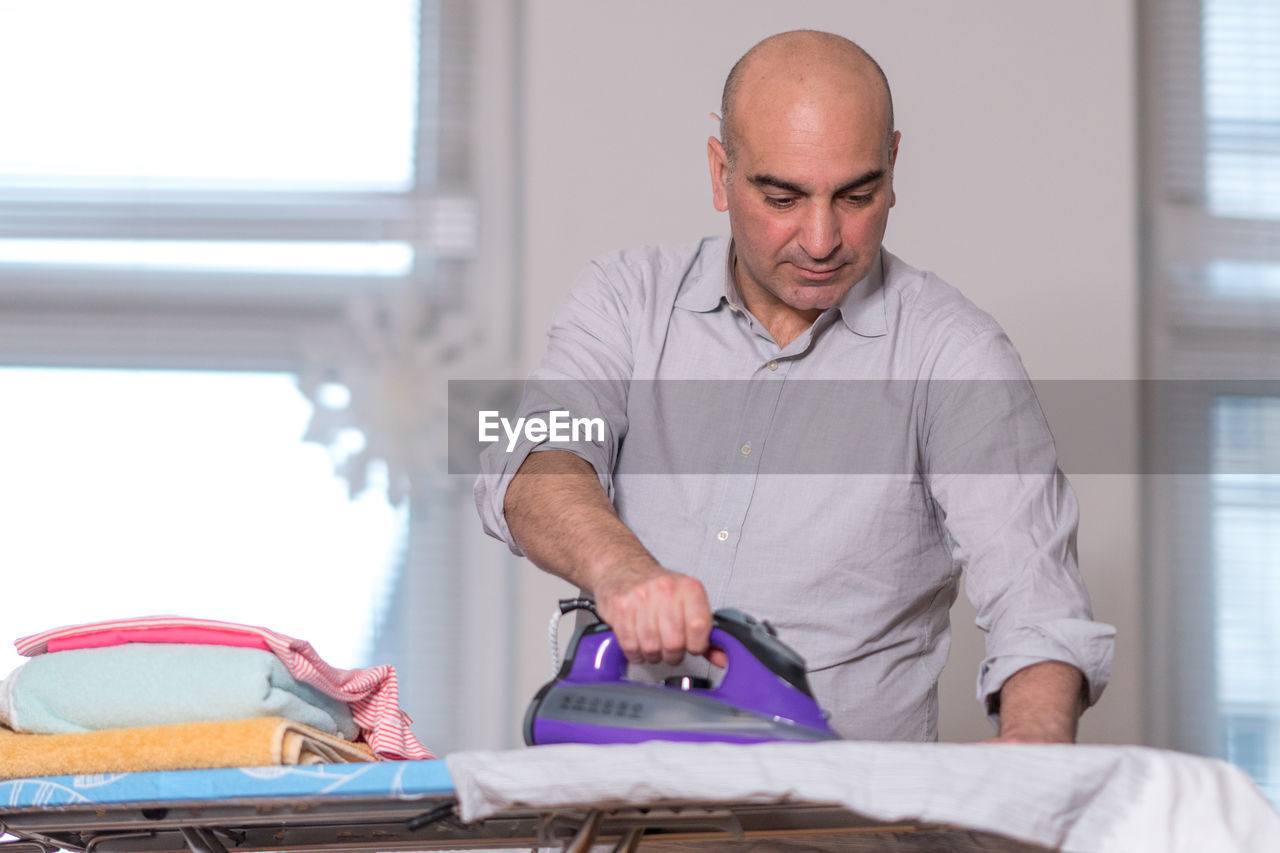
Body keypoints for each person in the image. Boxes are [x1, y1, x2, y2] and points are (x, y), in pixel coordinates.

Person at [475, 30, 1114, 743]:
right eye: (782, 196)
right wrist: (622, 572)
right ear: (720, 173)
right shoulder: (624, 300)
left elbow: (1040, 609)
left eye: (857, 194)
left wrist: (1025, 767)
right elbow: (531, 465)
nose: (820, 238)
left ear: (894, 166)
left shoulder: (954, 358)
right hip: (621, 818)